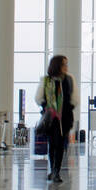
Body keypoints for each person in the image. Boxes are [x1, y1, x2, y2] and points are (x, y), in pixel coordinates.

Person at [35, 54, 76, 183]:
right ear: (57, 65)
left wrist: (68, 107)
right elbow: (38, 97)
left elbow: (75, 97)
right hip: (51, 119)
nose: (66, 67)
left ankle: (56, 171)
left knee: (60, 145)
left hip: (65, 118)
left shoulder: (69, 79)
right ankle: (53, 170)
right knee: (53, 144)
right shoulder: (46, 80)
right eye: (64, 64)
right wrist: (48, 106)